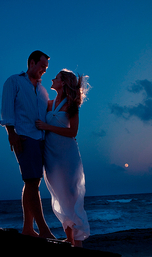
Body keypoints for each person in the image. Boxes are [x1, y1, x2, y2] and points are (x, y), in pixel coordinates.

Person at [0, 50, 55, 239]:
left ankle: (28, 229)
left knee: (33, 182)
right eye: (42, 67)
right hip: (24, 137)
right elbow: (7, 110)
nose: (44, 71)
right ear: (31, 63)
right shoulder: (14, 81)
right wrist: (11, 133)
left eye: (46, 69)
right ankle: (44, 231)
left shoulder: (42, 90)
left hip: (41, 139)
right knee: (31, 182)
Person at [35, 69, 91, 247]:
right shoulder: (49, 103)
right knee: (59, 195)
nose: (52, 79)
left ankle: (78, 242)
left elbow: (73, 132)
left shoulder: (72, 104)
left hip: (68, 155)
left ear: (64, 82)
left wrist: (46, 126)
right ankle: (69, 238)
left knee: (72, 195)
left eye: (56, 77)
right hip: (51, 155)